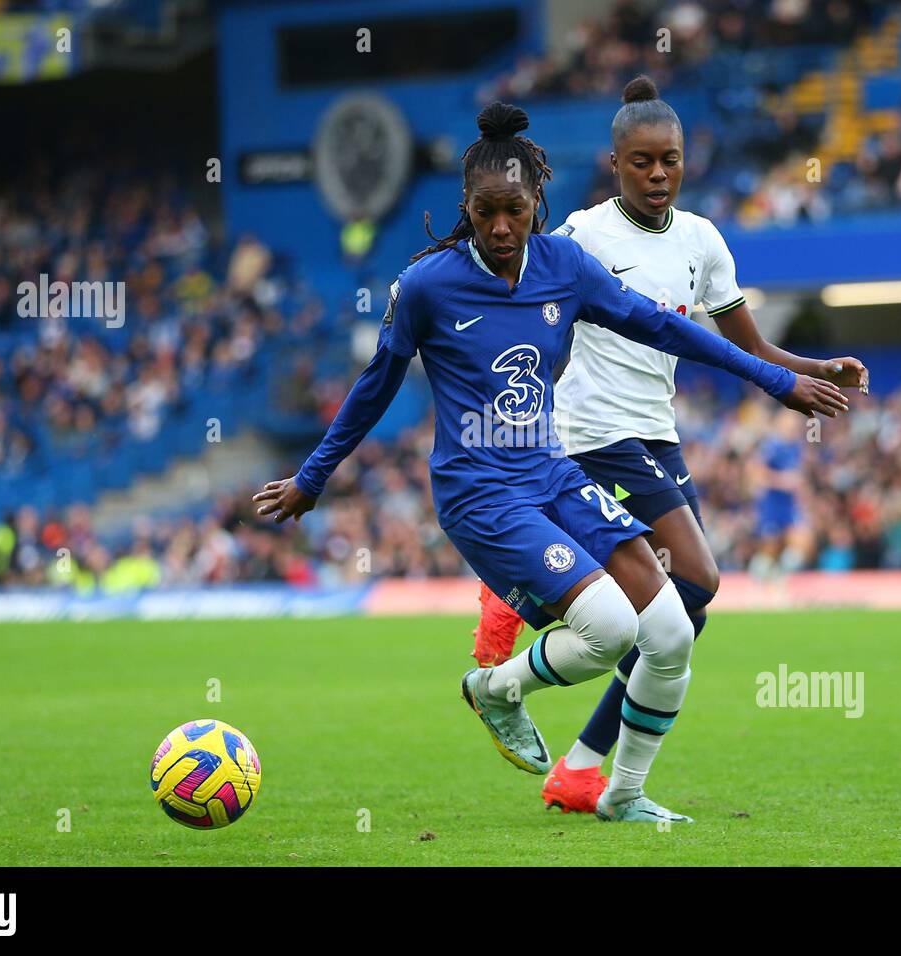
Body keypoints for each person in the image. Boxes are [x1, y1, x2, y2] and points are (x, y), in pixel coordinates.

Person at [253, 102, 848, 824]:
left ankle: (620, 794)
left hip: (553, 472)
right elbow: (375, 384)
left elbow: (665, 326)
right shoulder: (427, 286)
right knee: (612, 629)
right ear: (465, 209)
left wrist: (775, 378)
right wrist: (312, 479)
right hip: (479, 493)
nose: (501, 229)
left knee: (670, 631)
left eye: (514, 211)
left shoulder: (564, 265)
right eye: (484, 212)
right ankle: (497, 688)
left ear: (538, 204)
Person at [469, 76, 870, 814]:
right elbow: (517, 293)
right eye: (643, 162)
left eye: (672, 161)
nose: (659, 175)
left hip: (657, 433)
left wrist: (814, 368)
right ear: (615, 163)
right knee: (699, 578)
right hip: (590, 434)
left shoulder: (702, 241)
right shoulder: (583, 235)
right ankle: (512, 668)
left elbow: (743, 343)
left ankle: (583, 768)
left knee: (683, 618)